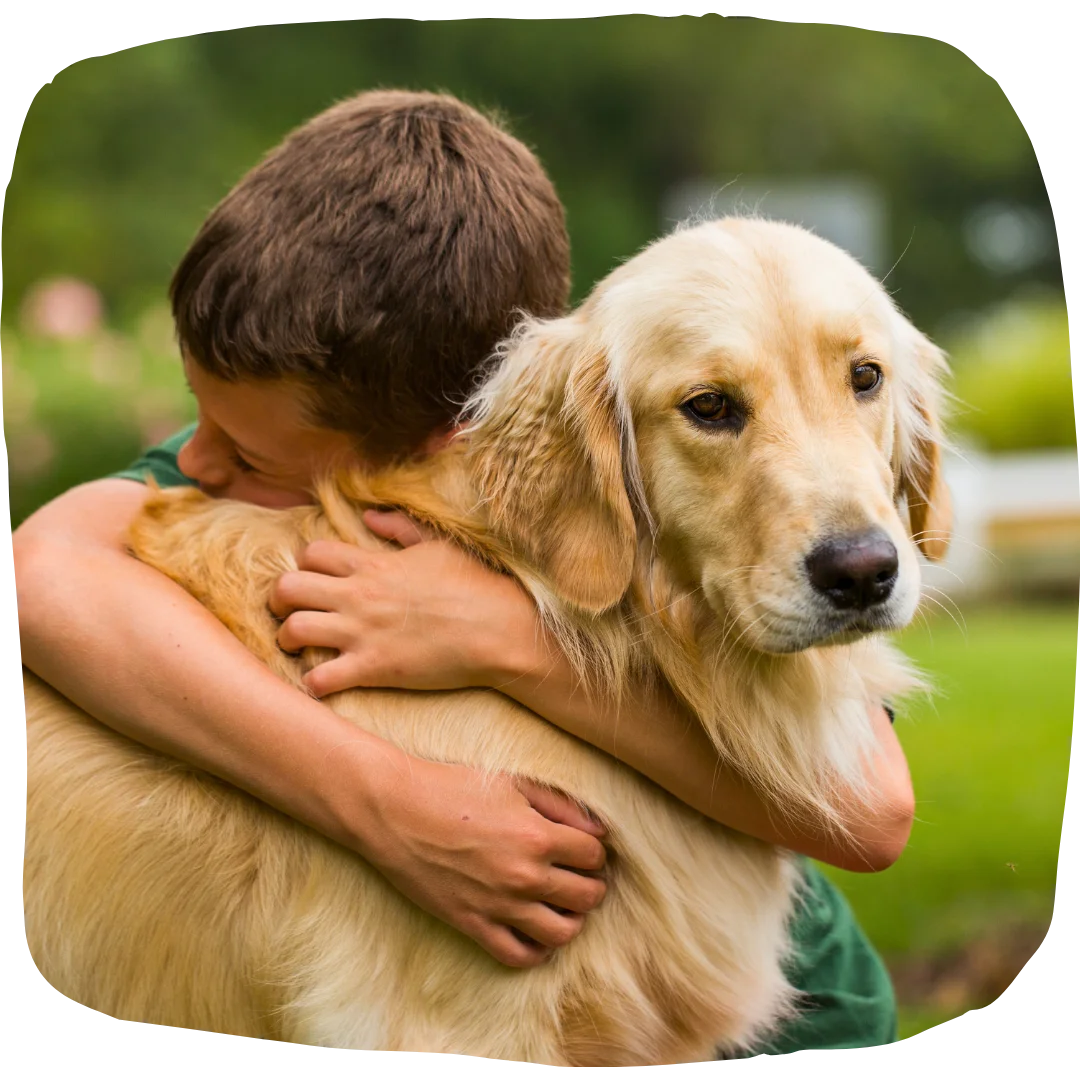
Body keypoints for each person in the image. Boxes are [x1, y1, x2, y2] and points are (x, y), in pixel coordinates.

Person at [14, 88, 909, 1056]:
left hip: (810, 1017)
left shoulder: (556, 425)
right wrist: (387, 801)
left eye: (243, 447)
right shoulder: (285, 440)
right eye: (205, 420)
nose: (198, 461)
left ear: (434, 443)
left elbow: (872, 812)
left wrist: (504, 642)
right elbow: (39, 573)